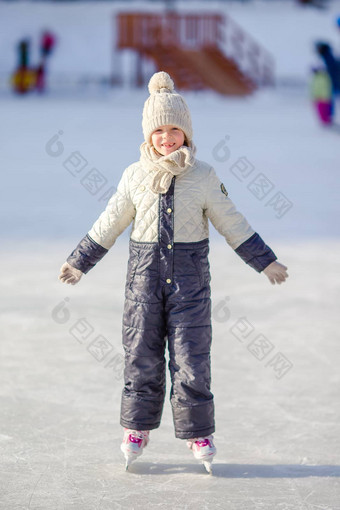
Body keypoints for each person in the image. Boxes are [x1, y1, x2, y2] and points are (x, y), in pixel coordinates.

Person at [58, 71, 288, 473]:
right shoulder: (135, 175)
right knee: (140, 357)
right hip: (143, 283)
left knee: (192, 359)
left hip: (190, 285)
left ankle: (199, 432)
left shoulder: (202, 177)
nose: (167, 138)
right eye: (159, 130)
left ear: (187, 132)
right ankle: (136, 427)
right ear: (148, 134)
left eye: (175, 130)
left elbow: (231, 220)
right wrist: (80, 260)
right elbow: (109, 221)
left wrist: (263, 259)